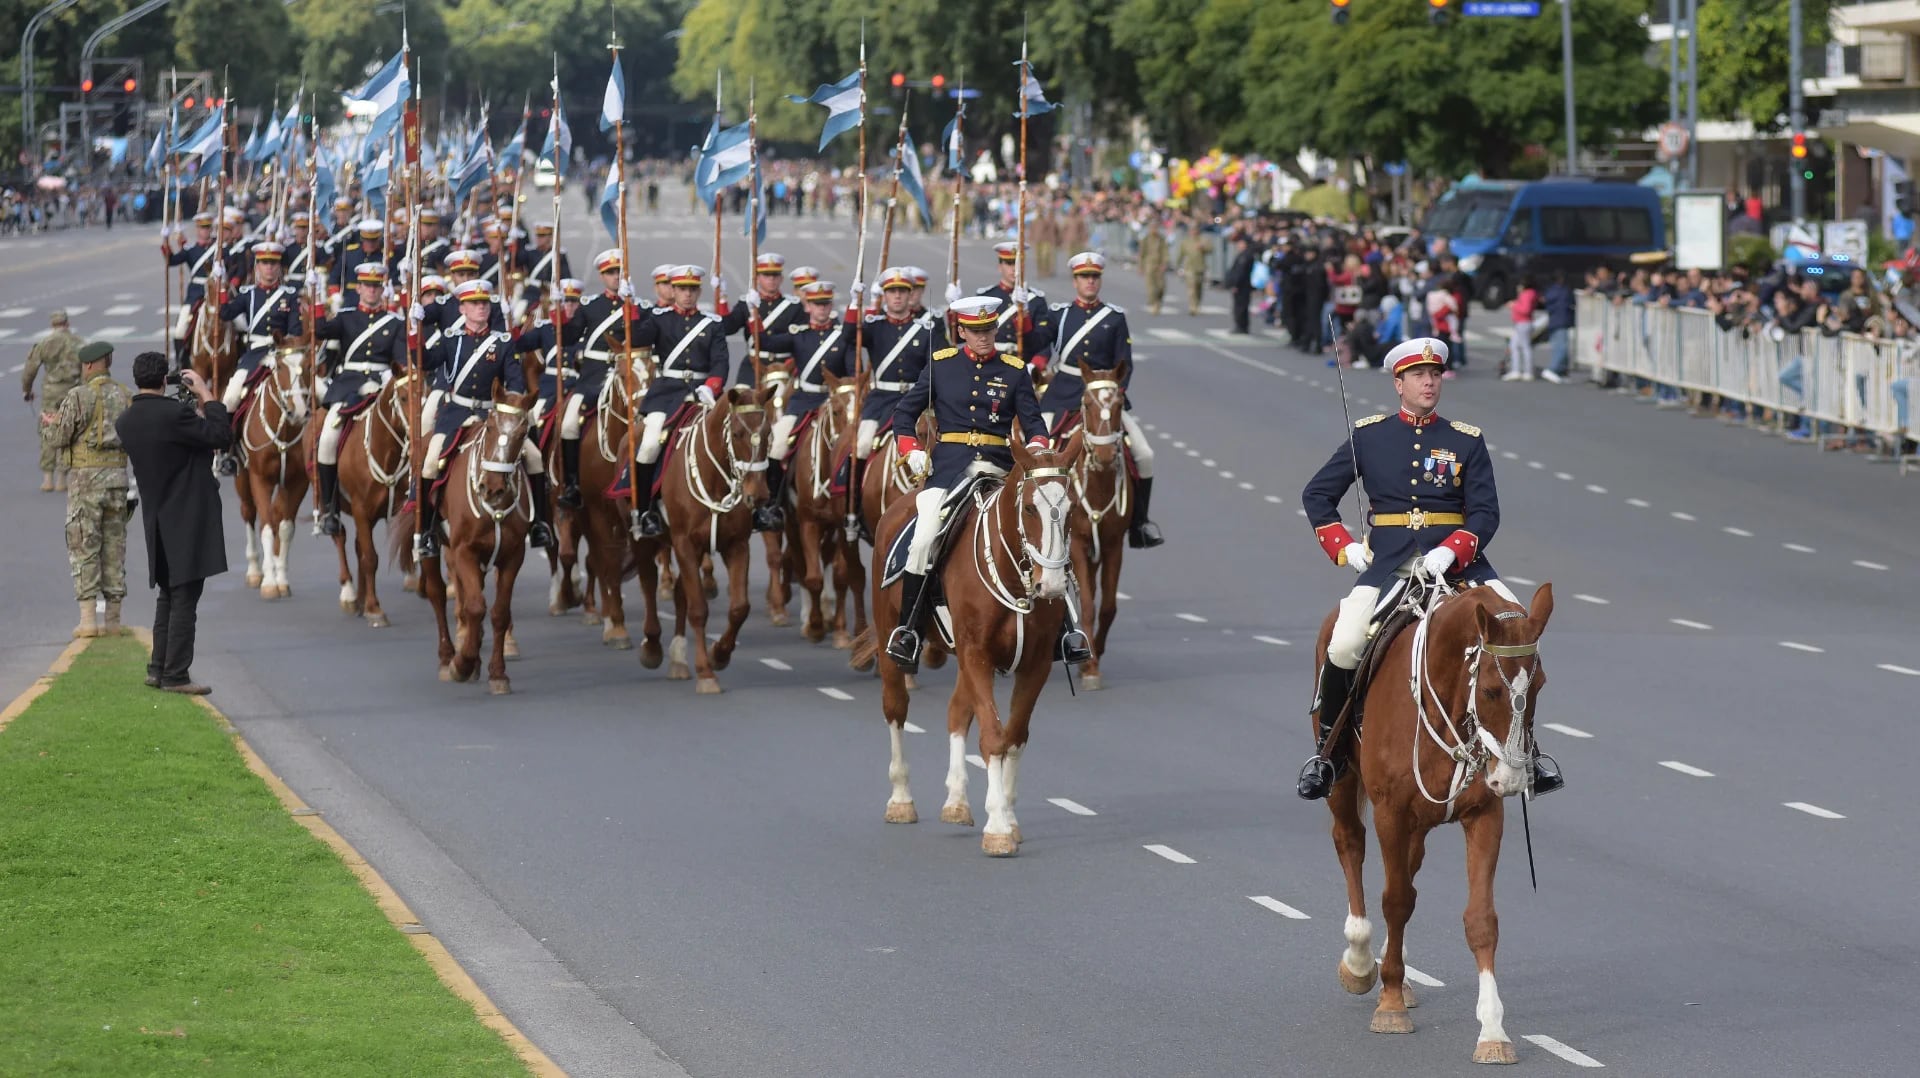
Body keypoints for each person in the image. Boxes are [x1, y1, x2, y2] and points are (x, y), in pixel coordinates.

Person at [1294, 338, 1562, 800]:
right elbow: (1317, 496)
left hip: (1459, 566)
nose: (1429, 382)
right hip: (1391, 567)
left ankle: (1528, 752)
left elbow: (1484, 513)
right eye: (1418, 375)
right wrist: (1344, 548)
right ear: (1398, 383)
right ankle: (1329, 752)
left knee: (1518, 630)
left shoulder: (1465, 440)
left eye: (1435, 375)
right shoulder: (1370, 436)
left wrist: (1452, 550)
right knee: (1345, 643)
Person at [883, 295, 1087, 673]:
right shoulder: (941, 366)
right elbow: (905, 413)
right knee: (925, 533)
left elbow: (1034, 423)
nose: (983, 337)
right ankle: (908, 629)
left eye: (988, 330)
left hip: (999, 468)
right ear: (961, 331)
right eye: (975, 331)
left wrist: (1040, 446)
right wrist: (909, 447)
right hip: (949, 469)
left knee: (1048, 526)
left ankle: (1066, 629)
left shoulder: (1013, 369)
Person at [116, 352, 230, 695]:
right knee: (185, 597)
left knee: (168, 594)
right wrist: (206, 394)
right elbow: (220, 435)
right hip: (187, 513)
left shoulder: (127, 420)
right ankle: (177, 674)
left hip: (157, 515)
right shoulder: (175, 413)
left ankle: (158, 667)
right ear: (164, 379)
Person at [413, 280, 550, 558]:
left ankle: (539, 524)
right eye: (475, 304)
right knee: (430, 461)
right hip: (457, 413)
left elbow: (514, 380)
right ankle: (426, 531)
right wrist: (414, 330)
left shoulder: (502, 342)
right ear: (462, 308)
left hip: (493, 414)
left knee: (534, 457)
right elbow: (426, 362)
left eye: (485, 303)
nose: (481, 308)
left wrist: (511, 404)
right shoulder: (451, 338)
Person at [1036, 252, 1162, 547]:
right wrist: (1023, 319)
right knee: (1035, 450)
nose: (1090, 282)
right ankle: (1026, 517)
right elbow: (1038, 345)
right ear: (1075, 281)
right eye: (1084, 277)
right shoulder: (1060, 314)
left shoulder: (1114, 318)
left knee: (1144, 454)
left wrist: (1114, 396)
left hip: (1105, 399)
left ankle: (1139, 523)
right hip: (1063, 395)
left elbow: (1125, 364)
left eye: (1094, 277)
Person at [627, 264, 731, 539]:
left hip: (702, 392)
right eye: (682, 289)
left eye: (692, 290)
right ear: (672, 291)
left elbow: (720, 361)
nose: (687, 295)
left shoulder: (712, 324)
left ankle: (738, 500)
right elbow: (636, 338)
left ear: (698, 292)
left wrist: (712, 386)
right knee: (649, 444)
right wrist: (631, 307)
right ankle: (644, 511)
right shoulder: (659, 319)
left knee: (733, 437)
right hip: (666, 393)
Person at [311, 262, 408, 536]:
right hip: (348, 387)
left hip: (381, 387)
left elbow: (401, 359)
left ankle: (413, 499)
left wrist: (389, 379)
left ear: (382, 289)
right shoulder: (346, 317)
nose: (371, 291)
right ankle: (329, 507)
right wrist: (318, 295)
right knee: (328, 436)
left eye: (376, 287)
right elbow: (319, 330)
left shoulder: (394, 323)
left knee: (411, 431)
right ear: (359, 288)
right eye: (367, 286)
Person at [43, 341, 132, 638]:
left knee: (84, 545)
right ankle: (114, 620)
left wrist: (48, 424)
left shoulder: (79, 396)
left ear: (90, 365)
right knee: (115, 546)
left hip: (86, 481)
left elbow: (58, 437)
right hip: (118, 479)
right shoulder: (124, 394)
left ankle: (88, 621)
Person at [755, 278, 859, 530]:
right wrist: (754, 313)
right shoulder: (798, 335)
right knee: (777, 443)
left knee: (851, 445)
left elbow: (852, 372)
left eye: (825, 304)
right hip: (802, 402)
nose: (822, 309)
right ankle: (773, 503)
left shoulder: (841, 337)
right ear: (808, 307)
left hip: (832, 402)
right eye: (816, 304)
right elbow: (766, 342)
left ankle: (853, 503)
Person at [23, 308, 84, 491]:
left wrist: (27, 390)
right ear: (67, 323)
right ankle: (62, 479)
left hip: (51, 392)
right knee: (69, 431)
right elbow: (86, 369)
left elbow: (30, 370)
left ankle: (47, 479)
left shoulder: (44, 343)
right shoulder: (79, 342)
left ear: (52, 324)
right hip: (72, 391)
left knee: (48, 431)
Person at [1138, 211, 1169, 315]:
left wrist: (1164, 263)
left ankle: (1158, 301)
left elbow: (1165, 251)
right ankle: (1155, 304)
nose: (1154, 229)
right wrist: (1141, 267)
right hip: (1149, 265)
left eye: (1156, 227)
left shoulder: (1161, 239)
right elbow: (1141, 254)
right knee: (1151, 287)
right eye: (1152, 227)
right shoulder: (1145, 239)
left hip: (1159, 265)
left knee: (1161, 287)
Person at [1226, 233, 1258, 334]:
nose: (1238, 245)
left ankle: (1241, 326)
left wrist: (1235, 284)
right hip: (1243, 285)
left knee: (1240, 307)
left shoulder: (1246, 256)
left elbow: (1240, 272)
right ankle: (1241, 326)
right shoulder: (1244, 254)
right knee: (1241, 306)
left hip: (1242, 286)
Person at [1180, 222, 1211, 316]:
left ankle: (1197, 303)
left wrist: (1203, 248)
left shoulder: (1203, 240)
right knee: (1191, 288)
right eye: (1192, 230)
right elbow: (1180, 254)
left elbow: (1211, 249)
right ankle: (1192, 306)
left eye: (1195, 230)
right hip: (1189, 267)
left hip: (1200, 267)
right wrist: (1178, 266)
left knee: (1198, 288)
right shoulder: (1185, 241)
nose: (1193, 232)